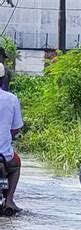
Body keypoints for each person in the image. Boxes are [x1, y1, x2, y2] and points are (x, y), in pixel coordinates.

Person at [0, 63, 23, 212]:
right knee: (16, 165)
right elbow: (16, 127)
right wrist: (8, 136)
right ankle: (9, 200)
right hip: (4, 156)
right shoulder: (11, 99)